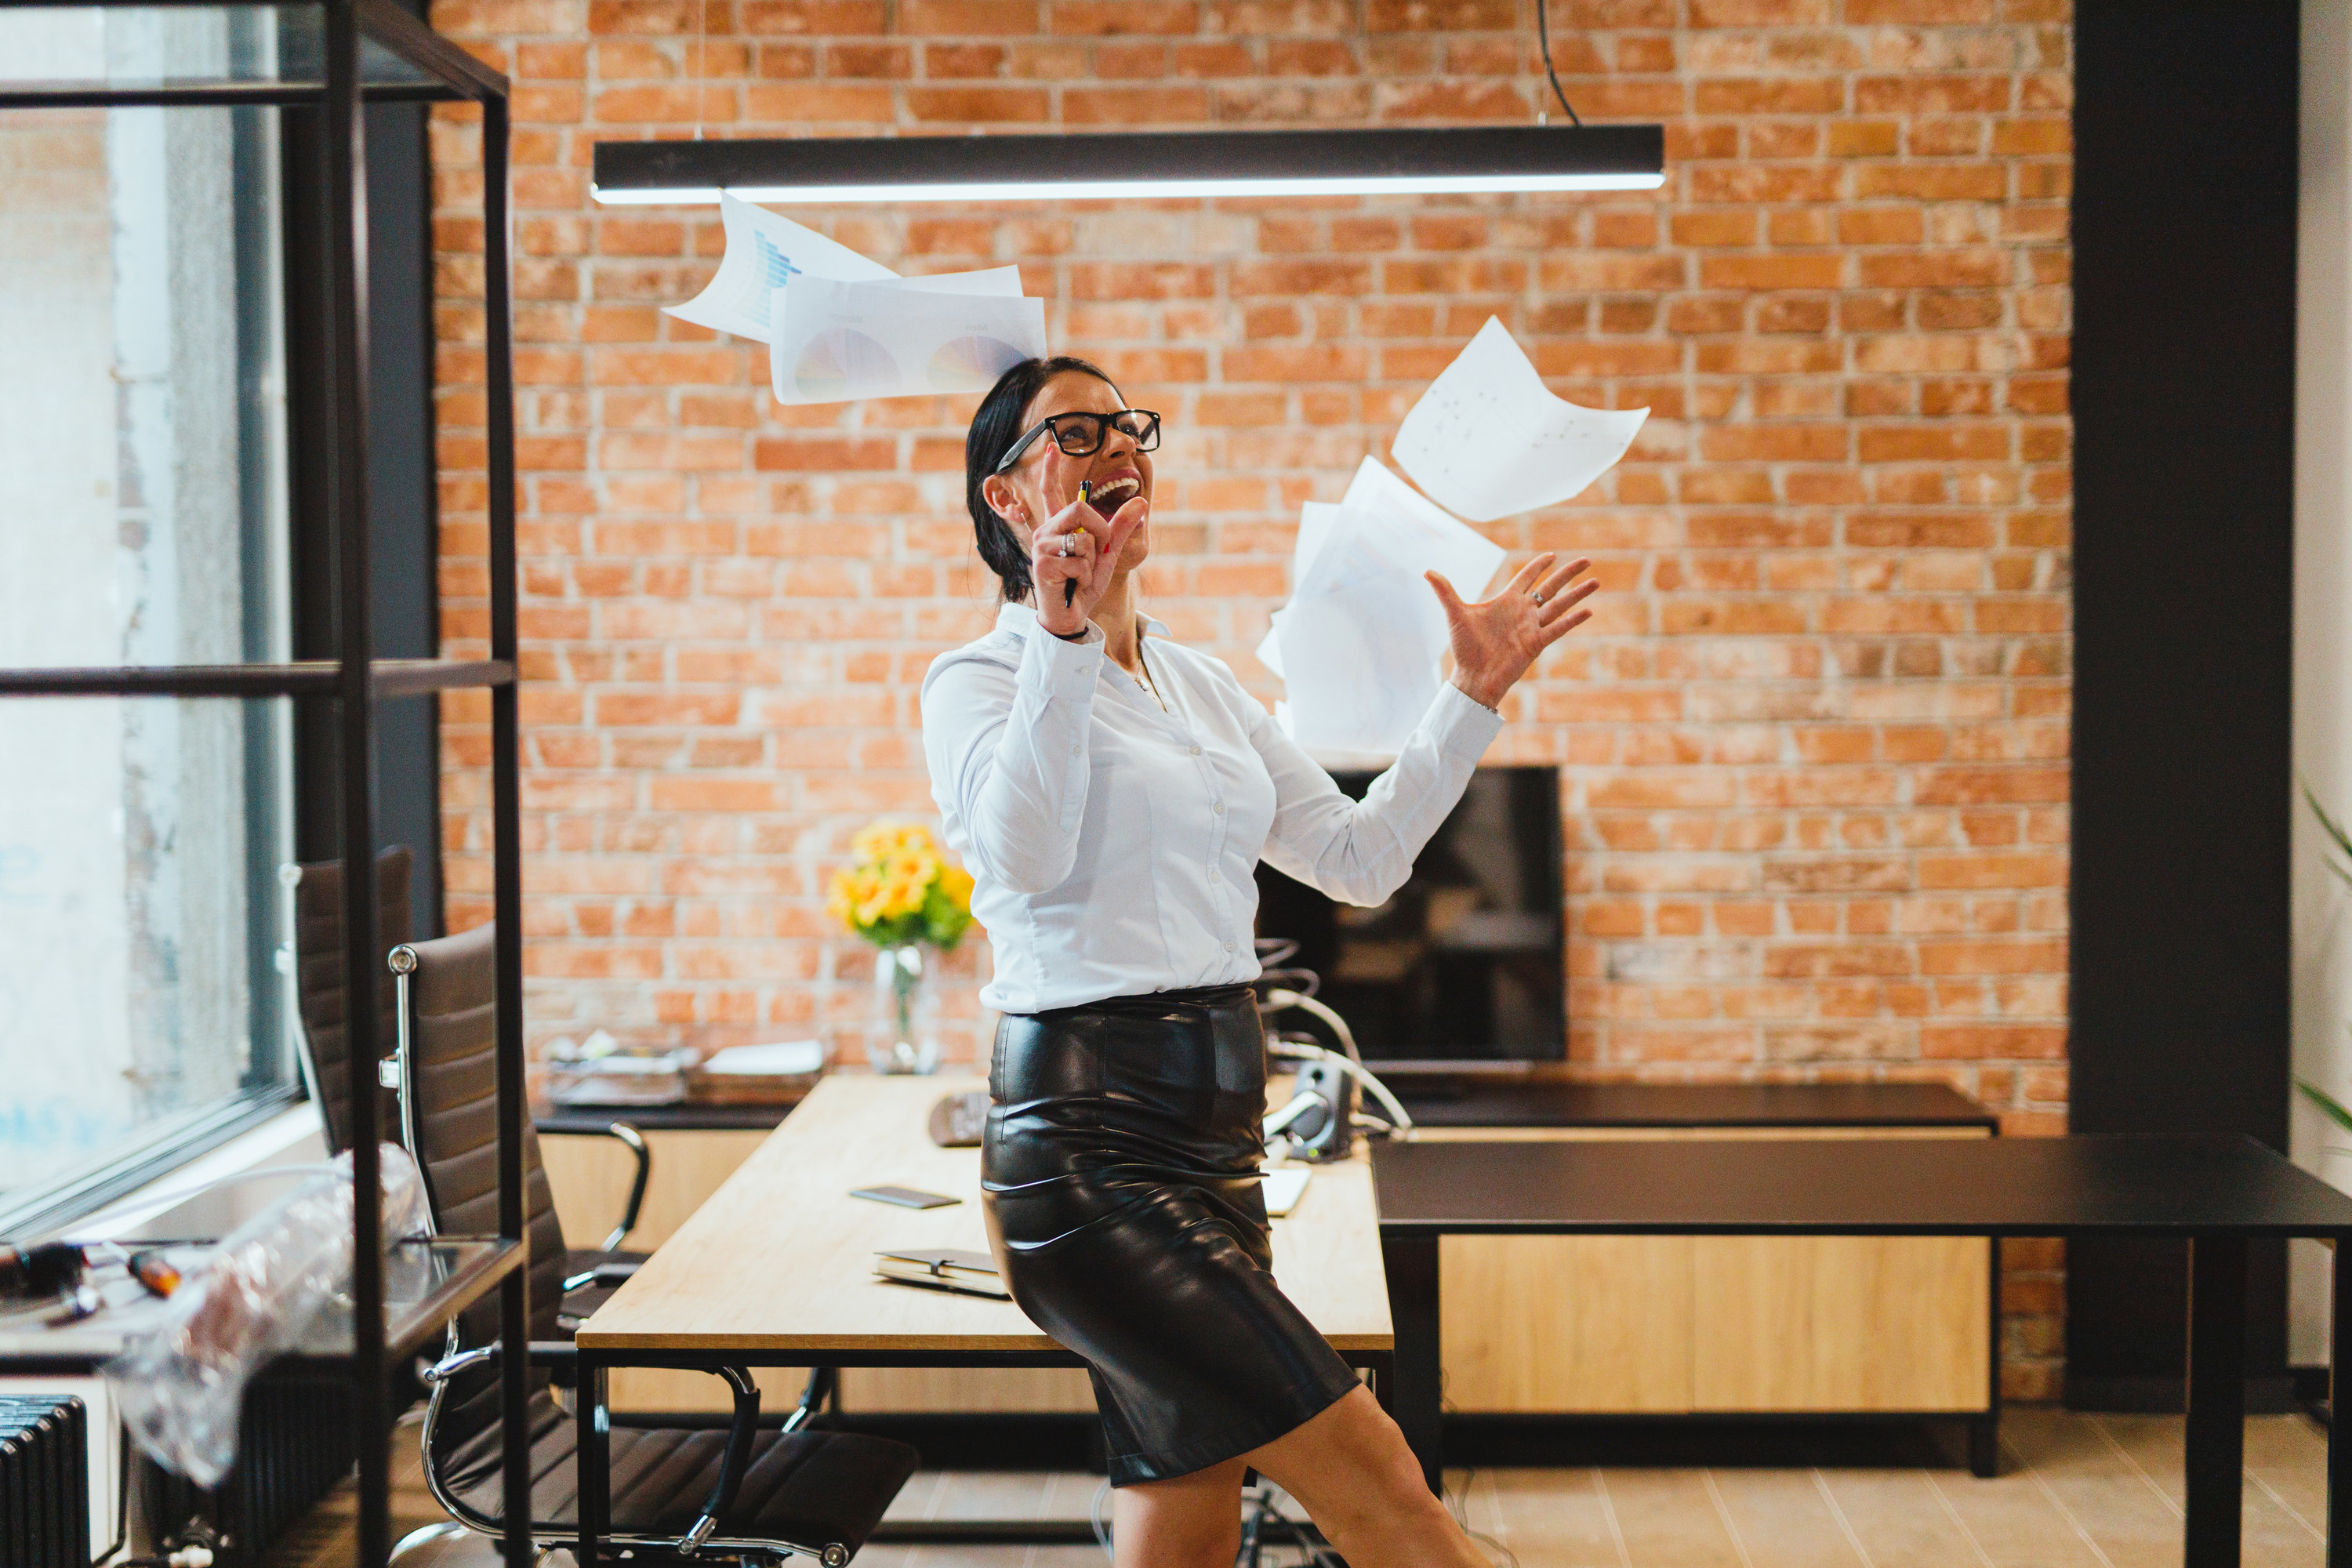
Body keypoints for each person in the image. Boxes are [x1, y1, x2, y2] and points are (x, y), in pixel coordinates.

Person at [920, 356, 1596, 1568]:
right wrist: (1061, 632)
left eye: (1125, 423)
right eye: (1072, 429)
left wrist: (1469, 699)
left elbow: (1359, 857)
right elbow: (1020, 855)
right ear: (1009, 501)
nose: (1116, 441)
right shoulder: (977, 683)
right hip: (1088, 1157)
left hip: (1219, 1146)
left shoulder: (1201, 684)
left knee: (1187, 1515)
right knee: (1382, 1478)